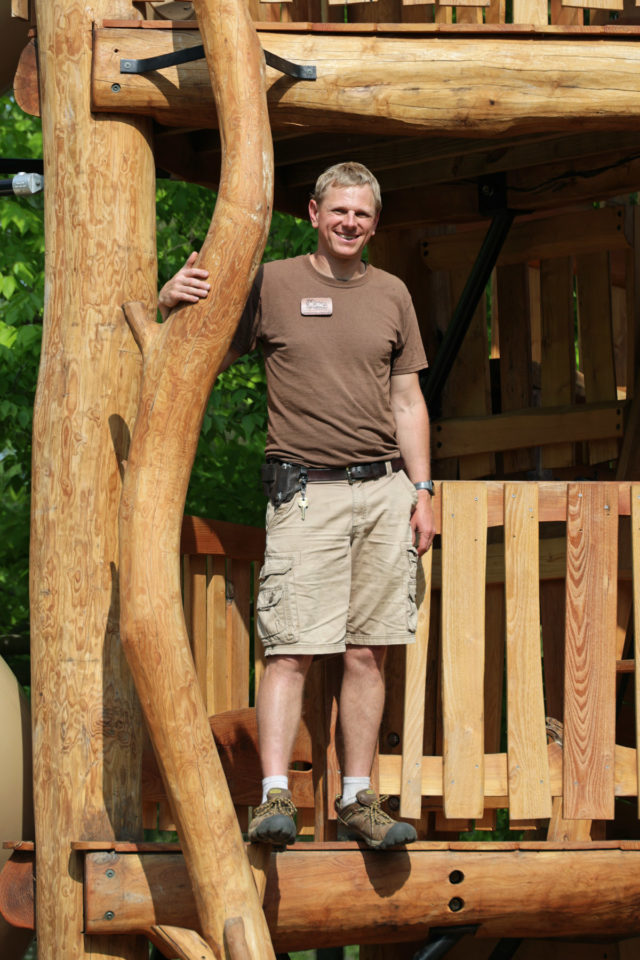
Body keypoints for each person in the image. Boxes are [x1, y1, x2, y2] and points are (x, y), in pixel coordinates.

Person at [159, 162, 435, 850]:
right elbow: (199, 358)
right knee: (291, 651)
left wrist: (423, 491)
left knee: (370, 652)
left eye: (362, 215)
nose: (349, 223)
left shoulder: (393, 294)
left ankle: (359, 799)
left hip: (383, 492)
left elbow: (407, 401)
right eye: (338, 211)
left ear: (376, 222)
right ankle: (273, 796)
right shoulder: (274, 284)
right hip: (304, 490)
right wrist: (169, 303)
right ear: (313, 214)